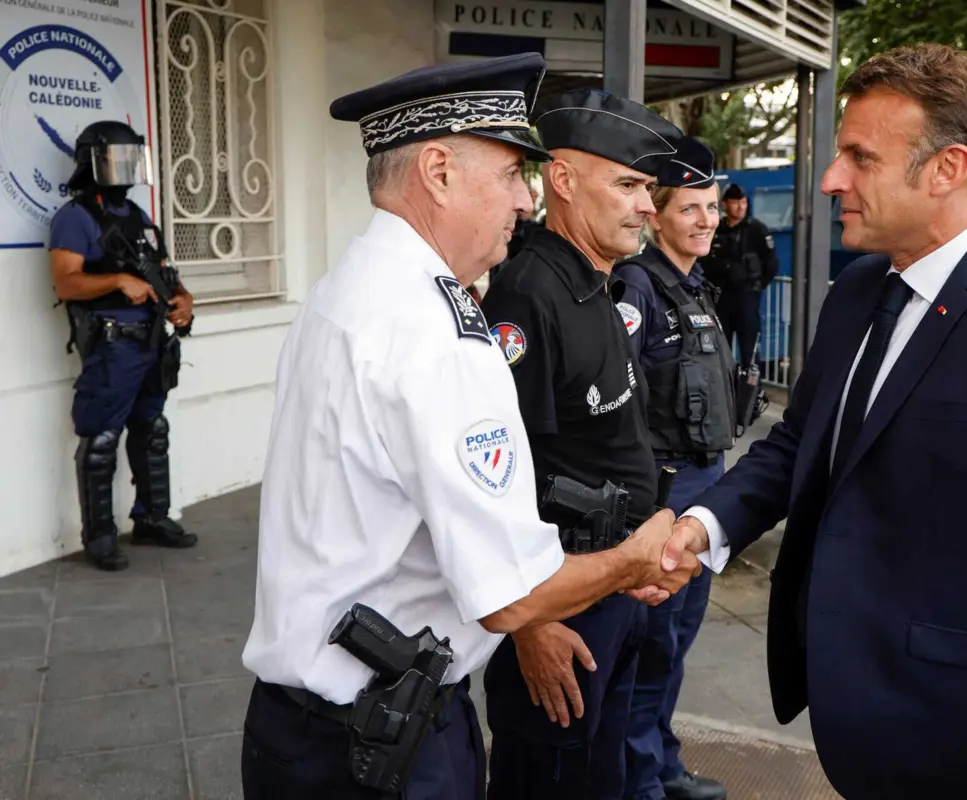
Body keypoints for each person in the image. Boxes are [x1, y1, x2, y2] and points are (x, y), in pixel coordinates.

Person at [663, 44, 967, 800]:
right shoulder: (859, 290)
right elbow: (800, 445)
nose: (830, 181)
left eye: (860, 158)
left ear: (947, 169)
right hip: (859, 728)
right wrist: (701, 527)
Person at [239, 55, 699, 800]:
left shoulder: (345, 291)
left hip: (299, 730)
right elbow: (511, 598)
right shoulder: (438, 336)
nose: (525, 198)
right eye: (515, 172)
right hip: (385, 744)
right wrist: (636, 559)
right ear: (439, 171)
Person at [478, 87, 686, 800]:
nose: (647, 207)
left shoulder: (602, 282)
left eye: (648, 189)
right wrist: (528, 626)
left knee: (604, 776)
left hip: (616, 587)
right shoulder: (526, 296)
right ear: (562, 181)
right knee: (549, 779)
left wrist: (637, 564)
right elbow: (501, 481)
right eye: (629, 185)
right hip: (558, 611)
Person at [612, 137, 733, 800]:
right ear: (657, 217)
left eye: (712, 207)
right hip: (666, 492)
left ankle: (662, 762)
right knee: (652, 646)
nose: (708, 219)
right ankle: (640, 781)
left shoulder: (694, 286)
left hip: (702, 487)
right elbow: (622, 401)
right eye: (691, 208)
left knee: (677, 643)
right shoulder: (638, 286)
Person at [48, 120, 197, 572]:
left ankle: (152, 518)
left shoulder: (137, 216)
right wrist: (117, 280)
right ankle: (100, 537)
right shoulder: (74, 218)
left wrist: (183, 300)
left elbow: (165, 273)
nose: (126, 169)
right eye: (117, 159)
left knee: (152, 430)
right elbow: (66, 281)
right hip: (113, 347)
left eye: (132, 159)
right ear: (92, 162)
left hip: (151, 343)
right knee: (101, 440)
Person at [701, 183, 777, 373]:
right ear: (725, 204)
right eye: (736, 202)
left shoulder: (757, 230)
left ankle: (751, 397)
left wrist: (756, 287)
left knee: (750, 352)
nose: (741, 207)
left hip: (746, 298)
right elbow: (705, 263)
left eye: (743, 202)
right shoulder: (717, 230)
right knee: (720, 350)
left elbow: (771, 263)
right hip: (722, 299)